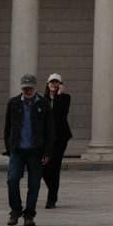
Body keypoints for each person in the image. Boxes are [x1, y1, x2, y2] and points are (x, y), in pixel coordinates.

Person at [3, 73, 53, 226]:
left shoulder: (43, 104)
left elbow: (50, 130)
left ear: (35, 88)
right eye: (25, 88)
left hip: (35, 151)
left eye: (30, 88)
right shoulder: (13, 103)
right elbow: (7, 128)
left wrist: (47, 152)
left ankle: (29, 214)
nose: (27, 91)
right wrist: (9, 148)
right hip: (17, 150)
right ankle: (15, 210)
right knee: (12, 180)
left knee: (34, 184)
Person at [41, 72, 72, 209]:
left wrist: (59, 95)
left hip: (60, 138)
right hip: (46, 139)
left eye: (57, 82)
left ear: (60, 85)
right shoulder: (43, 100)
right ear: (47, 84)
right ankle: (52, 189)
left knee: (55, 166)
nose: (54, 84)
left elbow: (61, 114)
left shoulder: (65, 98)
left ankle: (51, 198)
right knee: (44, 167)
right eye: (52, 82)